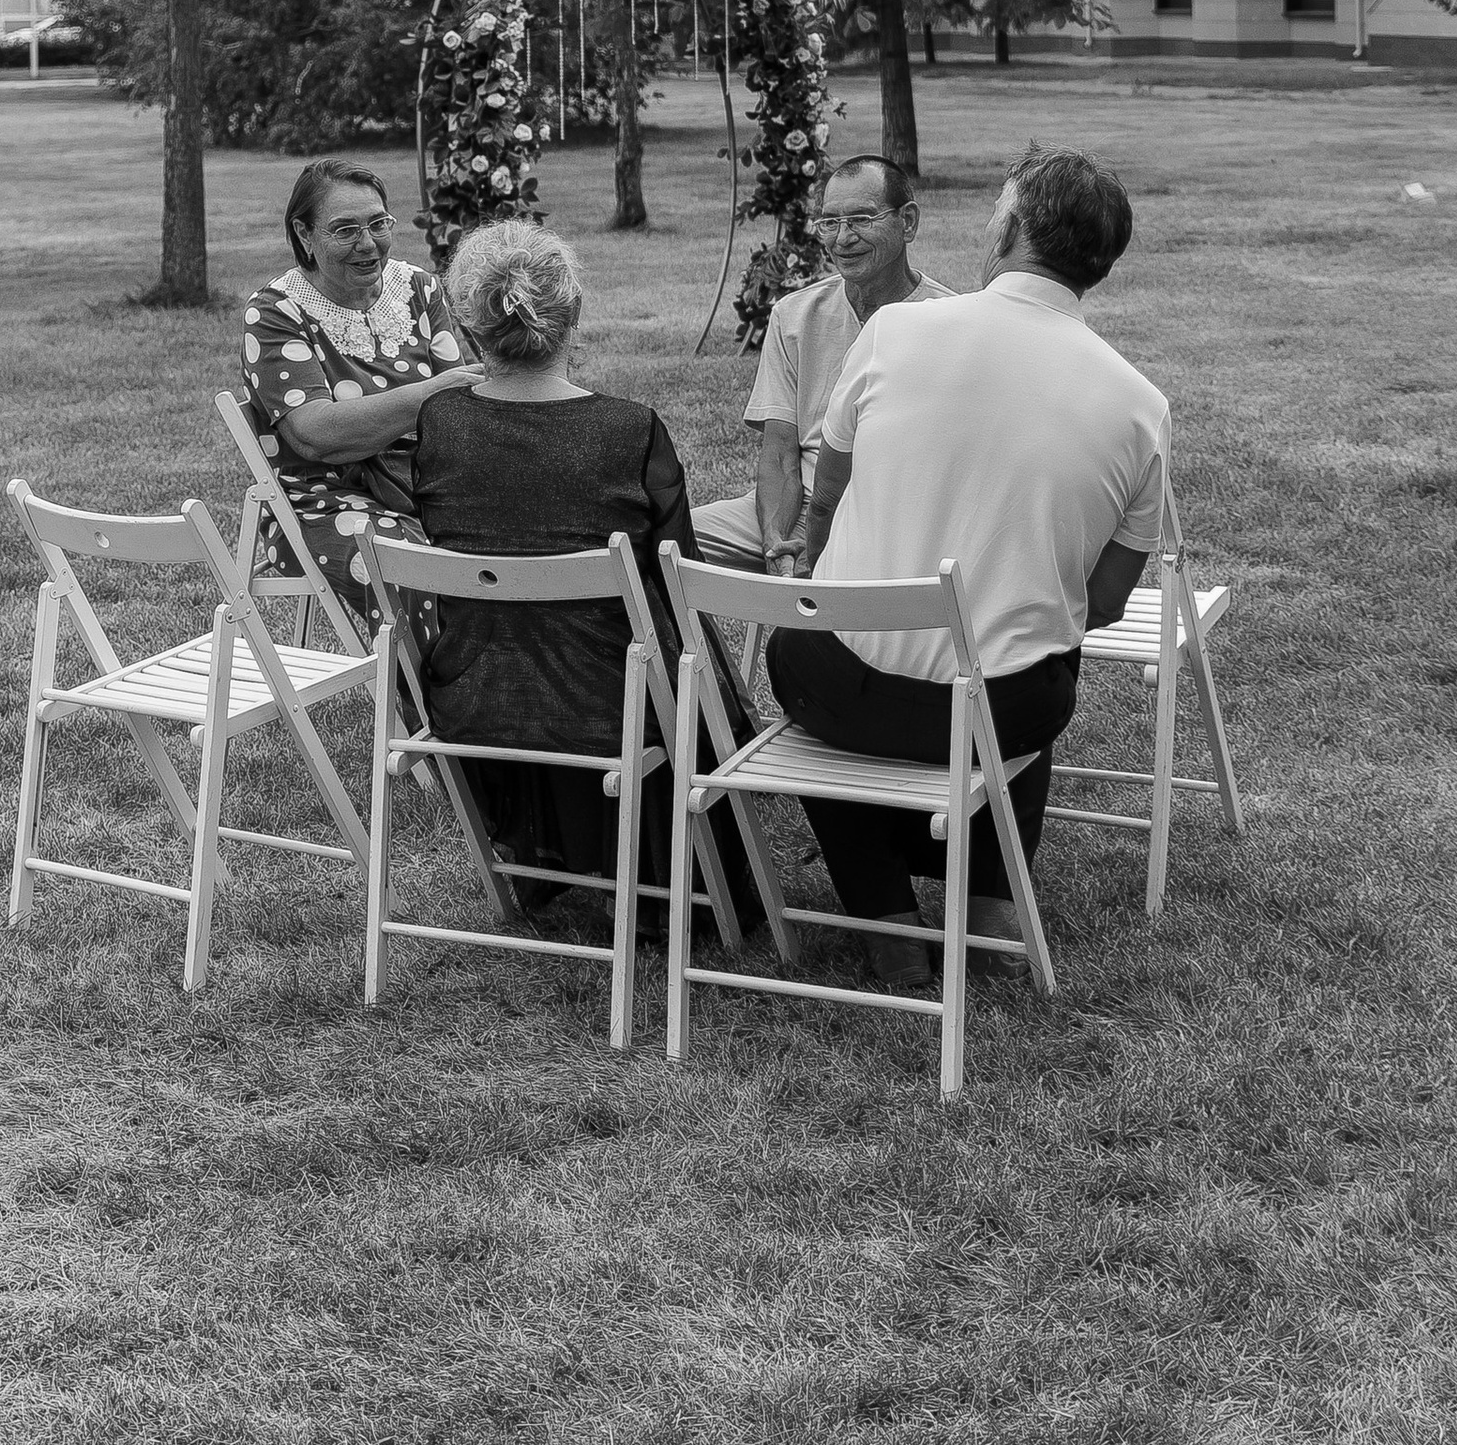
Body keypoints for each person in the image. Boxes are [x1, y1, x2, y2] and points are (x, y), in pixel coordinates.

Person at [782, 148, 1166, 958]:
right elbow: (1102, 604)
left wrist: (826, 572)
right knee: (1039, 656)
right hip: (1003, 709)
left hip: (844, 686)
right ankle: (989, 898)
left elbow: (828, 495)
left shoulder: (895, 331)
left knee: (803, 653)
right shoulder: (1141, 405)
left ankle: (884, 915)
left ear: (1011, 227)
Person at [408, 219, 754, 915]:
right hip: (618, 708)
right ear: (572, 318)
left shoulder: (440, 422)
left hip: (476, 697)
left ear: (470, 329)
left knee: (552, 640)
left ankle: (547, 858)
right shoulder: (629, 428)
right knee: (679, 648)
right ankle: (678, 878)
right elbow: (679, 573)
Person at [692, 153, 950, 575]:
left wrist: (823, 539)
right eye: (830, 222)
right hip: (804, 501)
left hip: (892, 517)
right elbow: (779, 452)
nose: (842, 238)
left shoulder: (953, 320)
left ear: (908, 222)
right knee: (662, 543)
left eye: (862, 219)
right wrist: (775, 537)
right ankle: (702, 644)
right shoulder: (794, 316)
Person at [238, 160, 479, 605]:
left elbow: (462, 409)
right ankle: (415, 677)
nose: (368, 244)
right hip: (323, 504)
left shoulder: (418, 289)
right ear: (305, 234)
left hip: (428, 485)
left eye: (378, 224)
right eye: (345, 230)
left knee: (529, 544)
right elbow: (314, 436)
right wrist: (425, 397)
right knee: (421, 575)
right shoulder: (277, 313)